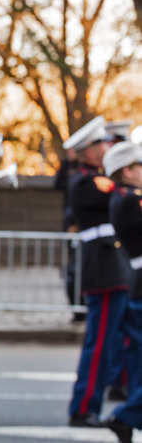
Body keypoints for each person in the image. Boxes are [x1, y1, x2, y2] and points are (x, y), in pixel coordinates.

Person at [64, 116, 131, 427]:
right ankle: (84, 406)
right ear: (86, 151)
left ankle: (124, 392)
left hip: (116, 267)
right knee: (100, 341)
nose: (106, 147)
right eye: (100, 144)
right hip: (103, 269)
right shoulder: (86, 182)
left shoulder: (102, 179)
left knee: (123, 338)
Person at [101, 141, 142, 442]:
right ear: (127, 170)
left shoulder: (128, 198)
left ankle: (128, 418)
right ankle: (125, 416)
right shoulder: (129, 200)